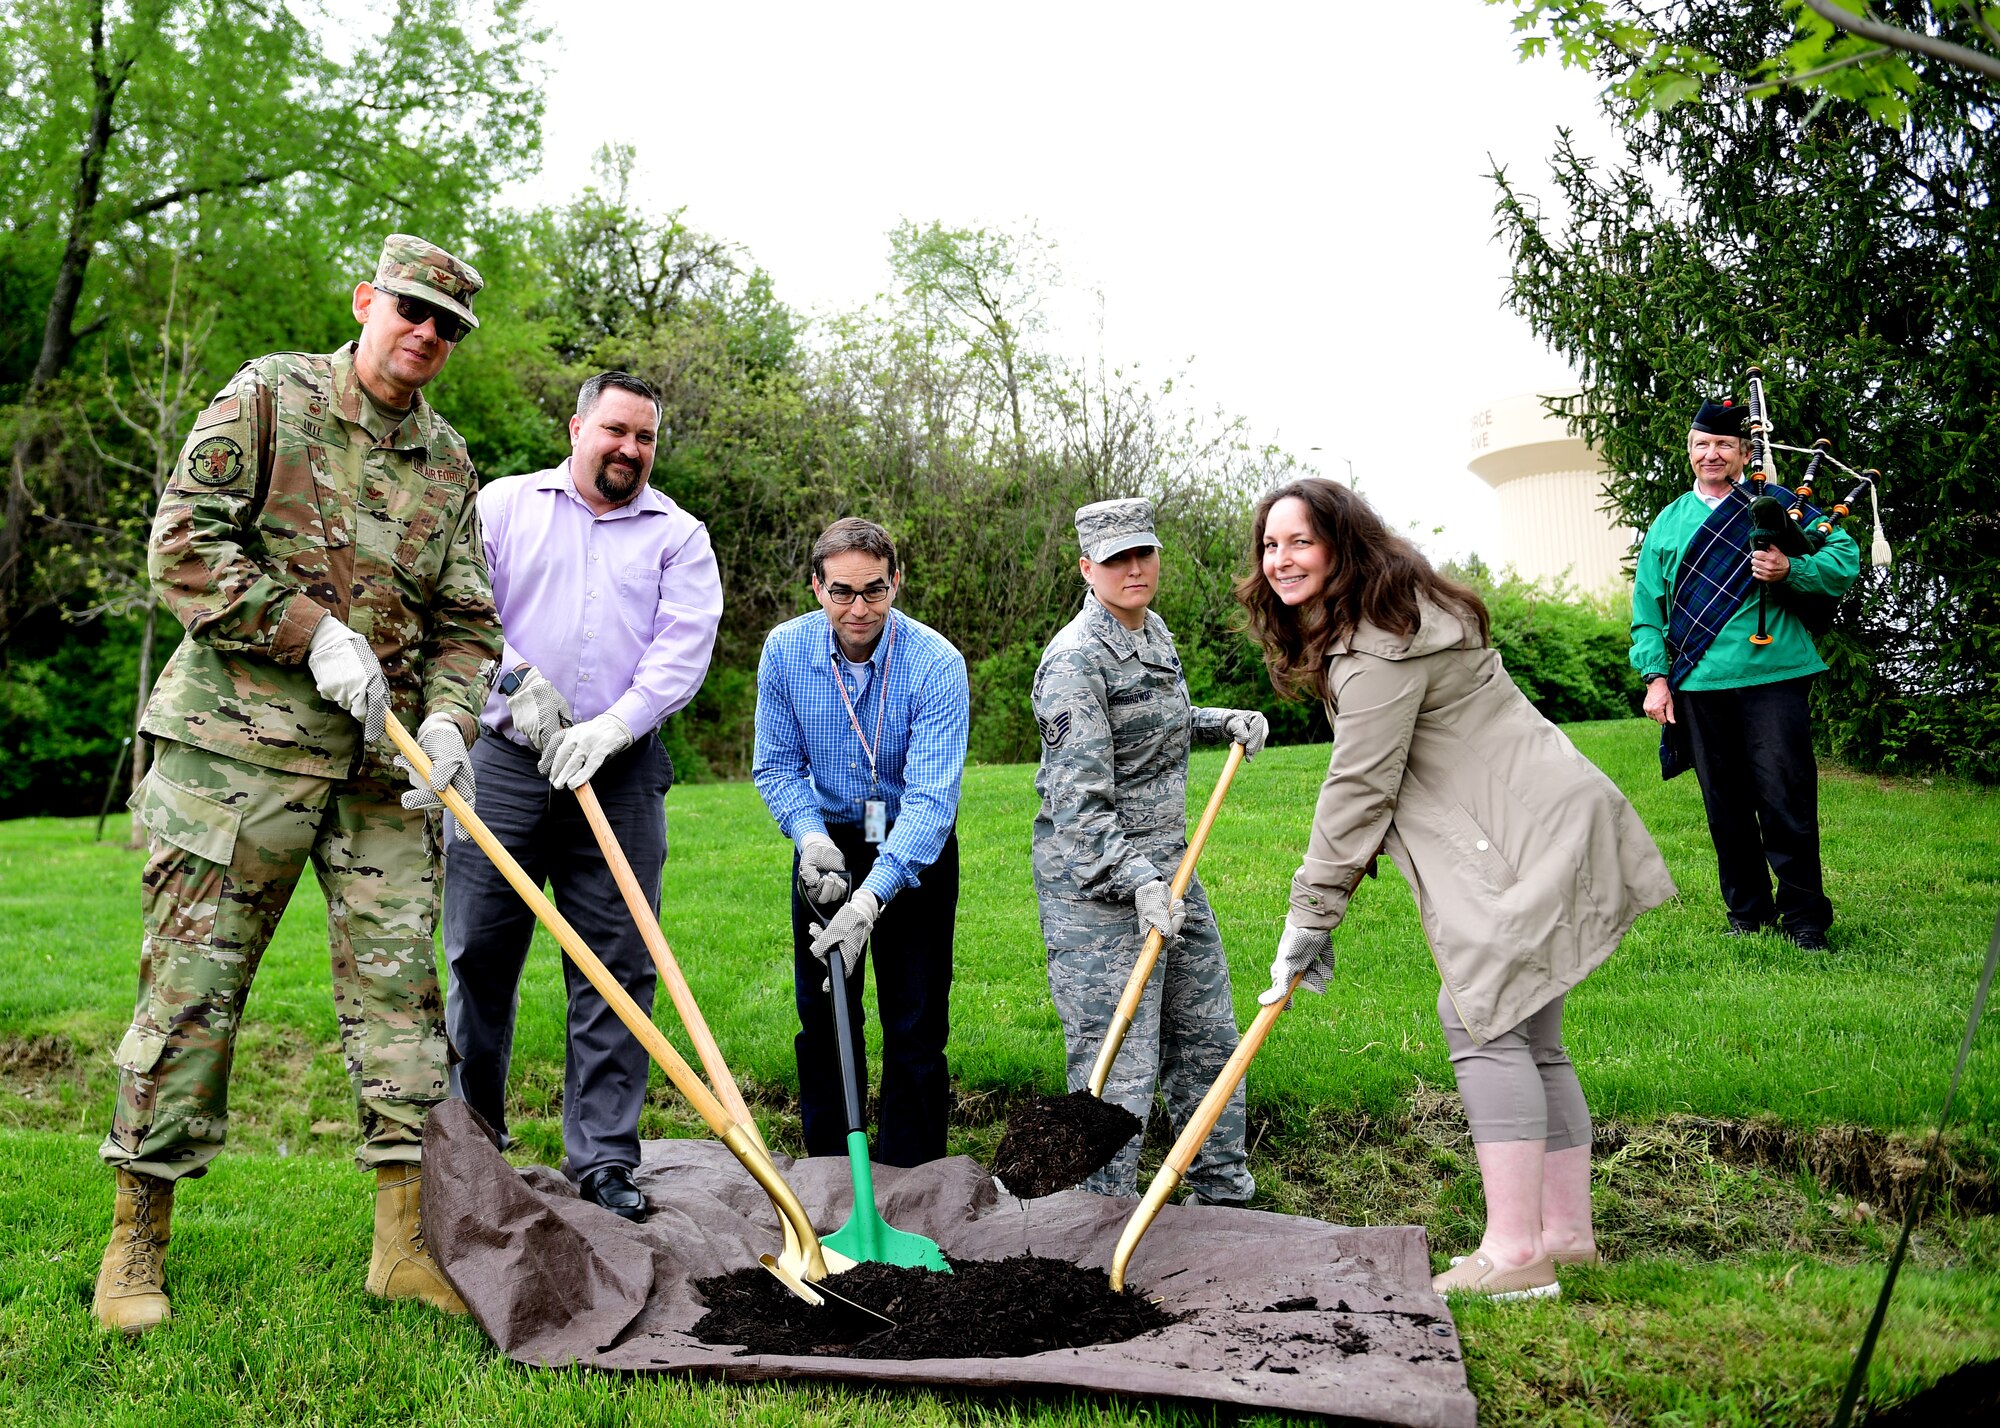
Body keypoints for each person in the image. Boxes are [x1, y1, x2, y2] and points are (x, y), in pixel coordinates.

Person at [94, 235, 501, 1332]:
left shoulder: (450, 463)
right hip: (236, 757)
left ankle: (404, 1243)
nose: (425, 334)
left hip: (382, 772)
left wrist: (455, 722)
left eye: (447, 327)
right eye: (411, 309)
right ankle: (136, 1240)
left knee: (403, 1009)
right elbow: (181, 544)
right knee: (190, 996)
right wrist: (310, 630)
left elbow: (467, 620)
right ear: (368, 299)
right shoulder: (269, 397)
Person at [1243, 478, 1674, 1302]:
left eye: (1300, 541)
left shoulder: (1377, 647)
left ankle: (1516, 1256)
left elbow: (1358, 788)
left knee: (1478, 1016)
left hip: (1521, 838)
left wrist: (1309, 920)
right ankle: (1565, 1237)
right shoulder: (1406, 608)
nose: (1281, 559)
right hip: (1549, 816)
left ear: (1342, 543)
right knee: (1528, 1031)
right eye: (1271, 544)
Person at [441, 371, 722, 1223]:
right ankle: (470, 1146)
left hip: (620, 771)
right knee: (478, 961)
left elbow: (682, 647)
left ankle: (602, 1160)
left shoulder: (679, 534)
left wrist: (614, 727)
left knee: (615, 966)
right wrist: (515, 681)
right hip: (507, 765)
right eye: (615, 431)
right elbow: (465, 611)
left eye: (645, 438)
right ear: (576, 428)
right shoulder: (504, 506)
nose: (629, 450)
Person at [1032, 498, 1269, 1203]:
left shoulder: (1152, 630)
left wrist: (1220, 720)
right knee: (1119, 1064)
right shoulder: (1074, 660)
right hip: (1101, 888)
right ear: (1087, 568)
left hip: (1172, 868)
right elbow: (1079, 810)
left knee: (1207, 1038)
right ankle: (1099, 1218)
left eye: (1143, 554)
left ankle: (1222, 1192)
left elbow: (1152, 725)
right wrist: (1136, 884)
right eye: (1115, 560)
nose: (1134, 569)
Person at [751, 518, 969, 1167]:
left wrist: (871, 902)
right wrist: (810, 838)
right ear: (816, 586)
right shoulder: (785, 653)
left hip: (911, 843)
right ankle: (831, 1171)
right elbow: (777, 766)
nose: (859, 609)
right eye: (842, 591)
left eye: (874, 591)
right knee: (826, 1017)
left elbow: (932, 803)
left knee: (916, 1021)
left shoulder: (936, 664)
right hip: (829, 841)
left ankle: (912, 1174)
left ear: (896, 582)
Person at [1630, 397, 1860, 952]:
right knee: (1725, 808)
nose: (1711, 455)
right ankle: (1748, 914)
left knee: (1786, 801)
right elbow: (1647, 609)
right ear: (1690, 451)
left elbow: (1844, 558)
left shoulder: (1778, 505)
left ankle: (1806, 919)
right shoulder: (1669, 521)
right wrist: (1655, 678)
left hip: (1773, 676)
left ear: (1744, 453)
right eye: (1701, 445)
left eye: (1724, 446)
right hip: (1699, 684)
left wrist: (1791, 569)